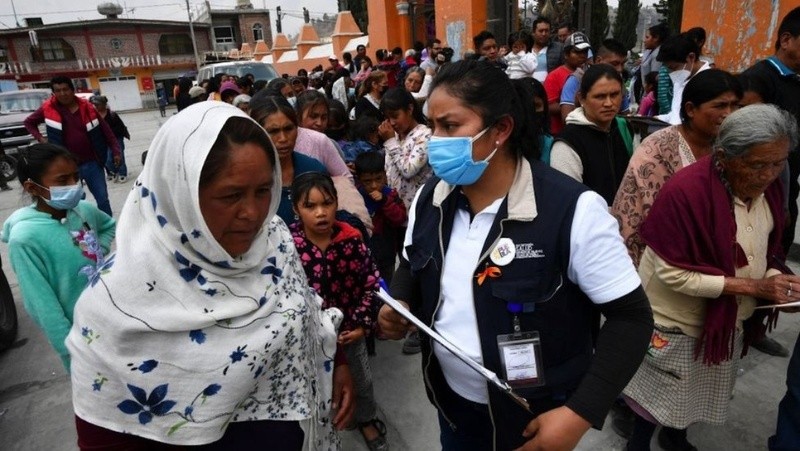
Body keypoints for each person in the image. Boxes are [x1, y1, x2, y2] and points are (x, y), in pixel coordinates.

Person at [377, 60, 653, 450]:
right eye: (432, 125)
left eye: (450, 127)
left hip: (533, 422)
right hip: (453, 407)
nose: (434, 141)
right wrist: (402, 300)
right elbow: (411, 257)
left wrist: (580, 413)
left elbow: (632, 319)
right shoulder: (432, 196)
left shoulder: (572, 210)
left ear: (500, 130)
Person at [66, 101, 354, 449]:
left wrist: (334, 361)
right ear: (180, 194)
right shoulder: (114, 307)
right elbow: (104, 436)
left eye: (263, 191)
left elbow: (304, 306)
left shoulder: (275, 240)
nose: (253, 213)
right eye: (231, 195)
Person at [622, 104, 799, 451]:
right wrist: (754, 287)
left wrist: (779, 284)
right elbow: (671, 274)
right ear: (725, 157)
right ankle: (637, 446)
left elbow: (769, 248)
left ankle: (676, 437)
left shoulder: (772, 190)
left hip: (726, 320)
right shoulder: (686, 193)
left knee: (697, 389)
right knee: (658, 395)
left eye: (778, 163)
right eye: (757, 164)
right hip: (676, 320)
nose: (768, 174)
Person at [289, 172, 387, 451]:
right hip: (306, 337)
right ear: (296, 209)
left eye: (327, 203)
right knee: (312, 385)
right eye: (310, 206)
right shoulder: (288, 245)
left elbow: (372, 283)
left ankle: (366, 419)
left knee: (361, 381)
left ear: (336, 203)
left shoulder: (352, 240)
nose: (321, 213)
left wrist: (361, 325)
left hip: (348, 335)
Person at [612, 69, 742, 266]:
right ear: (690, 109)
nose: (729, 114)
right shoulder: (657, 149)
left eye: (735, 106)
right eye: (720, 106)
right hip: (664, 260)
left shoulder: (732, 146)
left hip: (720, 255)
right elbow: (644, 215)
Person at [2, 143, 115, 370]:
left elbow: (108, 225)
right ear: (32, 188)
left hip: (111, 319)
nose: (74, 185)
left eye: (76, 177)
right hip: (80, 340)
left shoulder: (82, 209)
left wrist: (97, 250)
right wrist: (70, 350)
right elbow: (43, 307)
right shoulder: (25, 239)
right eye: (62, 181)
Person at [24, 76, 121, 217]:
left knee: (102, 199)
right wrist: (41, 139)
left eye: (65, 89)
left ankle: (106, 224)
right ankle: (80, 230)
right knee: (73, 202)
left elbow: (106, 130)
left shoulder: (88, 108)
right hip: (65, 167)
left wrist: (116, 151)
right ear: (53, 93)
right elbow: (29, 123)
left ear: (72, 90)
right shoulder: (48, 108)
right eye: (58, 91)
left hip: (92, 163)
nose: (62, 94)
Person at [550, 64, 632, 205]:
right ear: (582, 99)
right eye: (600, 96)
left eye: (614, 95)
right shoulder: (568, 143)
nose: (609, 103)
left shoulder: (623, 127)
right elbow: (567, 200)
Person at [354, 152, 406, 285]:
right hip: (364, 252)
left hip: (386, 253)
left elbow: (400, 218)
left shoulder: (390, 195)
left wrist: (385, 202)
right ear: (359, 180)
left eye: (378, 179)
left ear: (385, 175)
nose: (373, 185)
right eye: (367, 181)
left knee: (387, 284)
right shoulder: (356, 197)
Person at [378, 87, 433, 213]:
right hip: (396, 211)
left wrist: (390, 142)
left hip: (417, 210)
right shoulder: (395, 136)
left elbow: (408, 170)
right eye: (387, 118)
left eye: (395, 116)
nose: (391, 123)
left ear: (410, 109)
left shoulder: (424, 135)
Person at [559, 38, 630, 122]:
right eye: (614, 64)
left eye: (622, 64)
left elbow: (626, 116)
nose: (619, 69)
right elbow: (567, 118)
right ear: (599, 60)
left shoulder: (619, 82)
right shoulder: (577, 80)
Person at [655, 33, 712, 125]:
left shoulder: (709, 83)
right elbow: (676, 114)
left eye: (674, 67)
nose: (671, 73)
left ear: (691, 57)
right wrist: (656, 119)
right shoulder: (681, 79)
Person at [544, 32, 591, 135]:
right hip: (559, 133)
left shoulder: (590, 74)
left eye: (585, 51)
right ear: (566, 54)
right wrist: (570, 105)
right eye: (577, 52)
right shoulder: (554, 76)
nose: (582, 56)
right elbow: (547, 106)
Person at [90, 95, 131, 184]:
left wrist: (108, 132)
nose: (96, 107)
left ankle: (122, 173)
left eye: (97, 105)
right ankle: (115, 172)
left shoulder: (112, 115)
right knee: (107, 160)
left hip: (117, 139)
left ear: (104, 104)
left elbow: (120, 127)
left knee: (120, 156)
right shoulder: (94, 116)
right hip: (105, 141)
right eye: (94, 105)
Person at [633, 24, 669, 104]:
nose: (644, 40)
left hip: (650, 96)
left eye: (647, 37)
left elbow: (654, 80)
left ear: (656, 38)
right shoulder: (650, 51)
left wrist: (646, 100)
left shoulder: (657, 55)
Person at [531, 17, 565, 82]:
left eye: (546, 31)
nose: (544, 34)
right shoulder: (526, 49)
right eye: (541, 31)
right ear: (533, 32)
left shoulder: (559, 48)